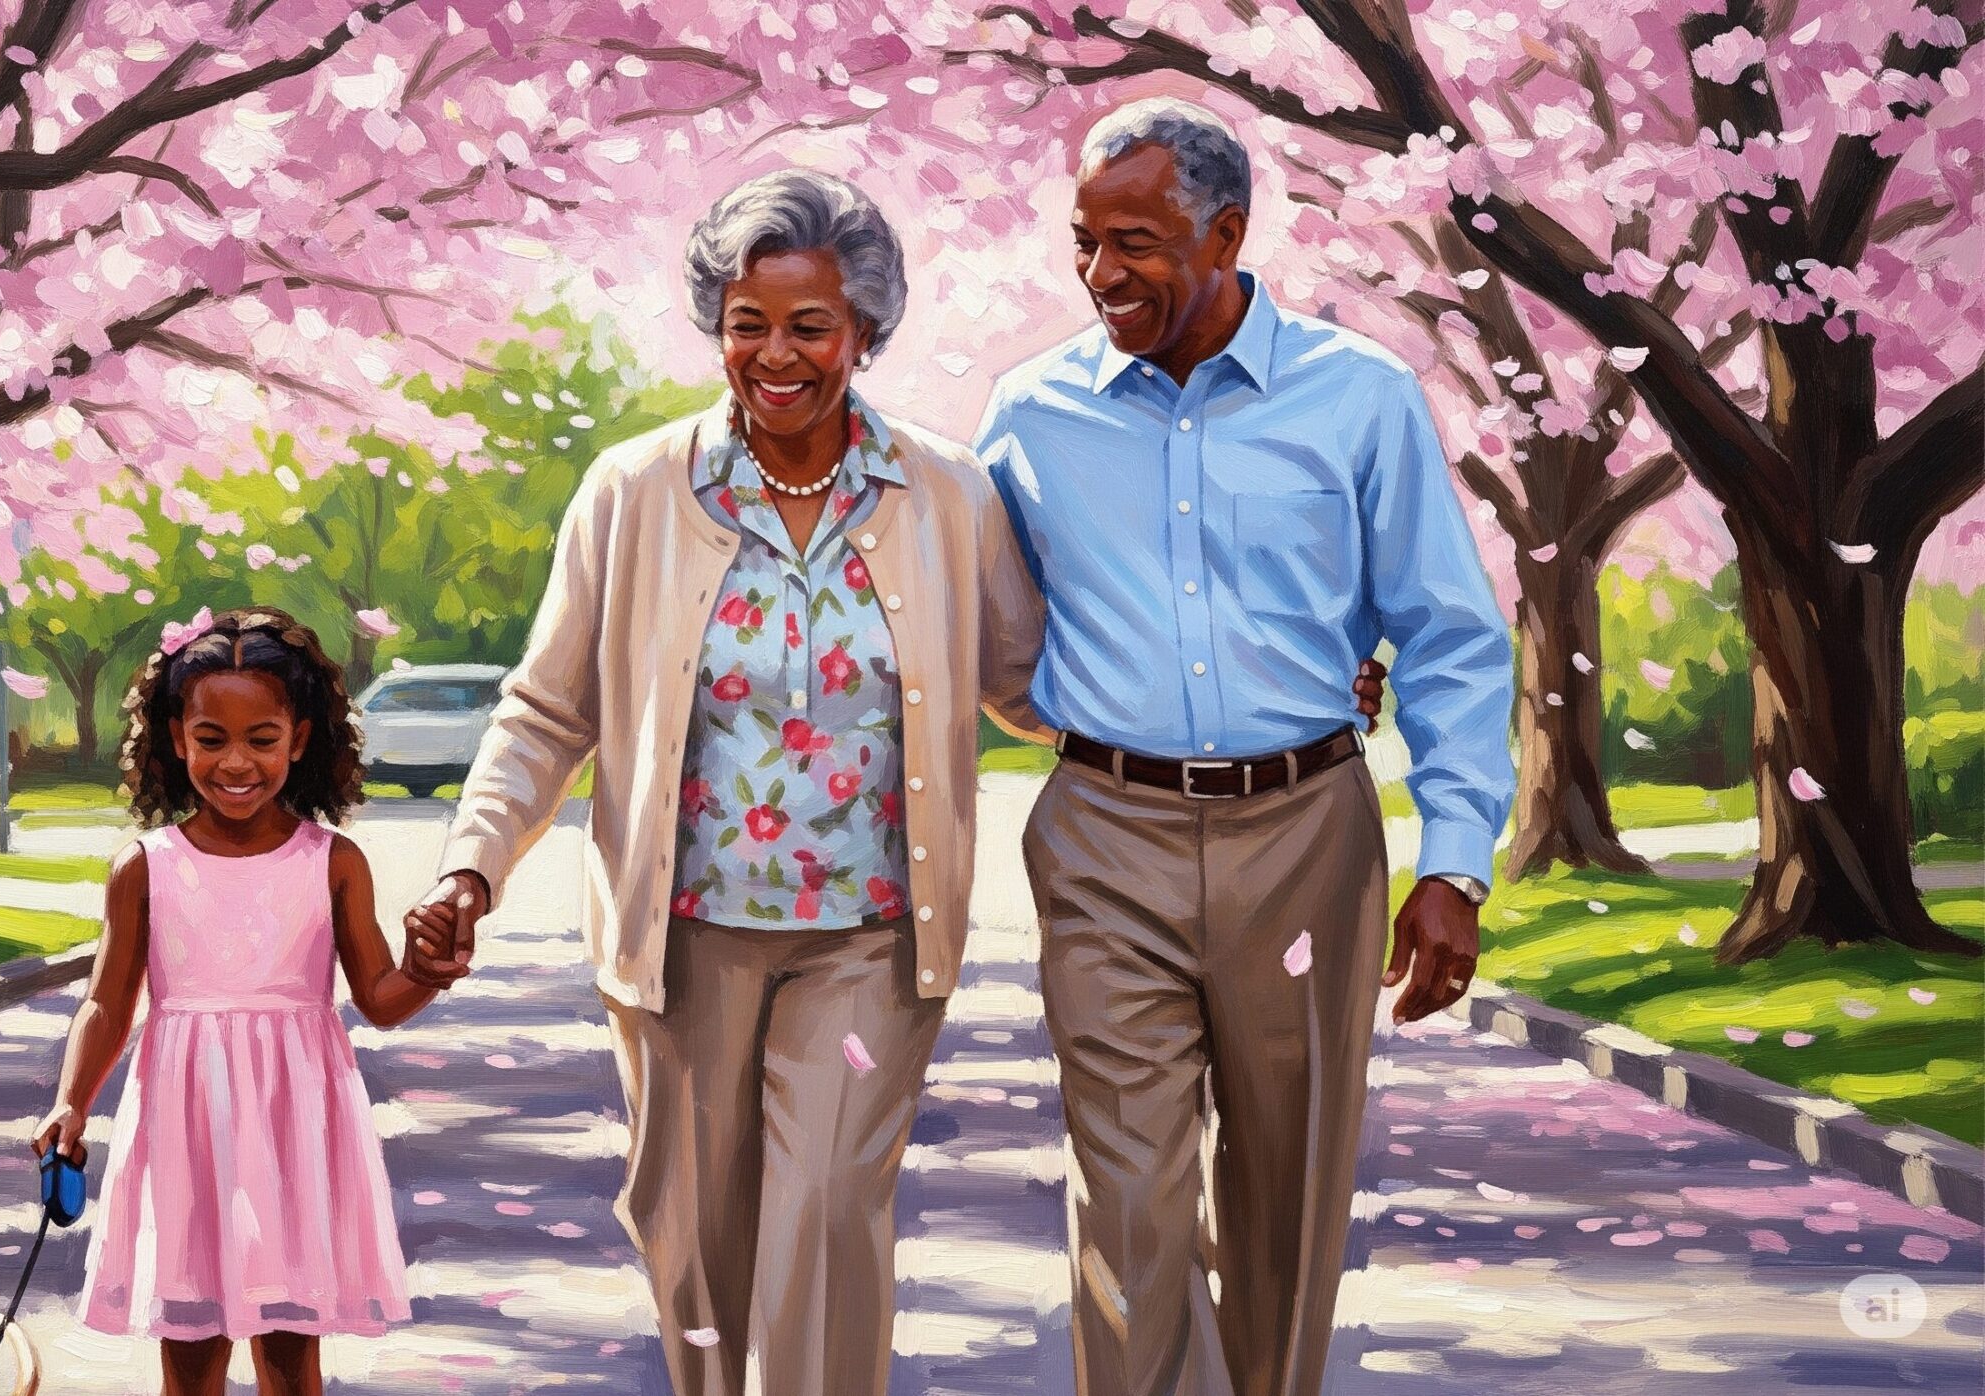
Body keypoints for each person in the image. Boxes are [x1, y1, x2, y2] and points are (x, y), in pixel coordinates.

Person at [399, 169, 1388, 1395]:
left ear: (864, 332)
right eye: (746, 323)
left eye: (809, 325)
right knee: (692, 1246)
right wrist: (468, 866)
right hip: (678, 943)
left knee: (824, 1225)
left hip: (868, 944)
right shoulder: (636, 492)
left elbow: (1038, 680)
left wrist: (1268, 688)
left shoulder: (943, 493)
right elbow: (548, 709)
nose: (775, 354)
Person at [975, 98, 1518, 1396]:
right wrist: (1095, 714)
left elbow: (1446, 634)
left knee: (1286, 1202)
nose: (1104, 274)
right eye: (1085, 241)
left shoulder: (1360, 401)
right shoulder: (1029, 415)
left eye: (1140, 243)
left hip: (1306, 836)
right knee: (1131, 1209)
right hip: (1107, 841)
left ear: (1228, 234)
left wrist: (1453, 862)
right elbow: (994, 629)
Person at [31, 606, 448, 1396]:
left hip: (297, 1129)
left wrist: (428, 969)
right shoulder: (144, 867)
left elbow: (381, 998)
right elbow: (108, 1005)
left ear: (300, 739)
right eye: (211, 738)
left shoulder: (335, 862)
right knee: (191, 1349)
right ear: (175, 738)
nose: (236, 762)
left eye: (262, 739)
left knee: (292, 1350)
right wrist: (70, 1105)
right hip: (189, 1130)